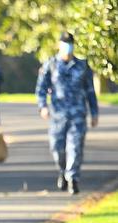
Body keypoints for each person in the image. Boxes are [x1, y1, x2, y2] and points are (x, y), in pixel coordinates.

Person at [35, 31, 99, 194]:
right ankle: (62, 171)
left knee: (75, 147)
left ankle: (73, 179)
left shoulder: (82, 66)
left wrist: (94, 113)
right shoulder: (51, 64)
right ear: (59, 45)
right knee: (57, 148)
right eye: (65, 44)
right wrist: (43, 106)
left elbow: (90, 91)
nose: (67, 47)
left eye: (70, 44)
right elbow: (41, 88)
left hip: (77, 115)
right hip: (58, 115)